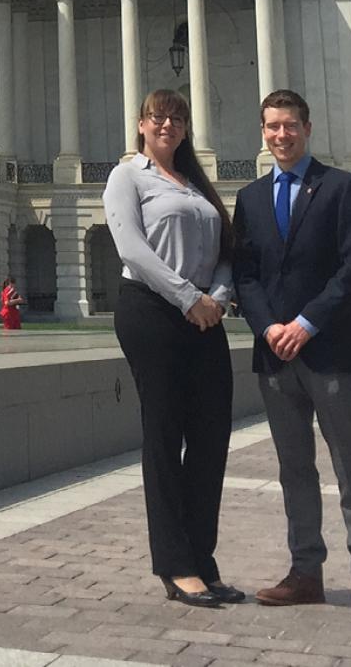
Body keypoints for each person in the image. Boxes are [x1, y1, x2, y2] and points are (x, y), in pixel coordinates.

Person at [232, 89, 351, 621]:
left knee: (350, 466)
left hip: (330, 350)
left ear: (308, 127)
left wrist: (305, 322)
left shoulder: (342, 187)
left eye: (290, 125)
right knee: (293, 468)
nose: (281, 135)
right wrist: (269, 326)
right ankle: (305, 572)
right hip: (275, 354)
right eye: (272, 126)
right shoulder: (251, 198)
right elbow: (246, 275)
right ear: (264, 130)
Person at [104, 89, 239, 610]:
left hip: (204, 314)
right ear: (141, 124)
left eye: (177, 118)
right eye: (158, 116)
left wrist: (217, 298)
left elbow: (226, 249)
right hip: (152, 311)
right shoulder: (128, 176)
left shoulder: (196, 184)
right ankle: (175, 565)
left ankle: (202, 559)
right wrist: (187, 297)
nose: (168, 125)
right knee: (164, 435)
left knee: (211, 437)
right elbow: (131, 248)